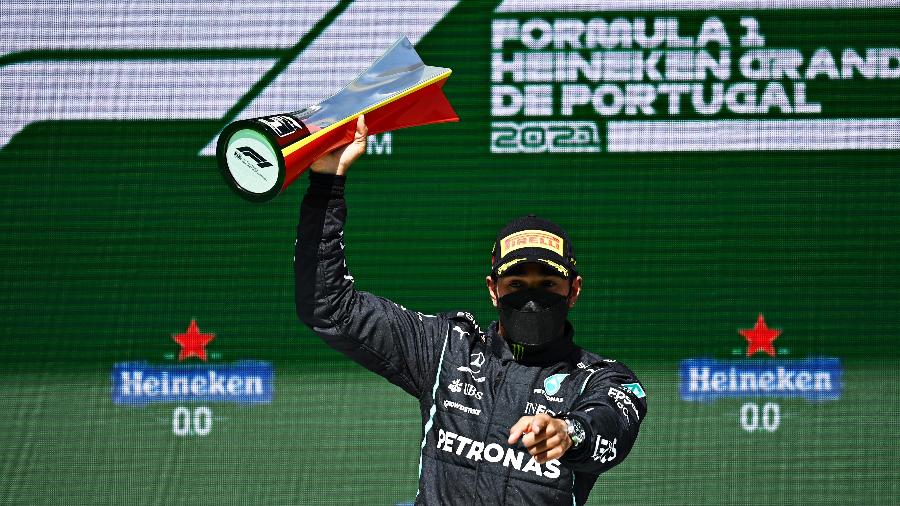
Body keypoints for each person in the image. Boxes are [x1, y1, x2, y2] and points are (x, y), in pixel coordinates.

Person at [295, 116, 647, 505]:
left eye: (548, 285)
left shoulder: (602, 380)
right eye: (516, 284)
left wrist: (568, 432)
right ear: (493, 291)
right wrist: (327, 185)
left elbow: (609, 427)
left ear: (574, 291)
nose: (531, 298)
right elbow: (330, 308)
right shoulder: (448, 348)